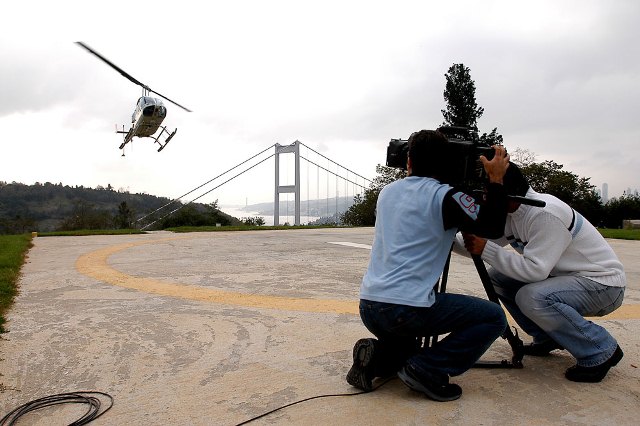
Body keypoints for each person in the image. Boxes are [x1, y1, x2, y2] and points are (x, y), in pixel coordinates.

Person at [346, 129, 511, 402]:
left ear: (409, 161)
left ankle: (376, 358)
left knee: (407, 349)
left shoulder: (387, 193)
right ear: (446, 163)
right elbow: (492, 226)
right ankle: (428, 369)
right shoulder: (446, 197)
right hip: (405, 310)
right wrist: (495, 179)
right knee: (492, 317)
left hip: (370, 306)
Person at [461, 163, 625, 383]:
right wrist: (445, 237)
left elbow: (534, 270)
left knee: (532, 296)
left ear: (507, 193)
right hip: (569, 279)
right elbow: (482, 243)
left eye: (487, 194)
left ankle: (600, 349)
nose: (483, 200)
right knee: (498, 278)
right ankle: (546, 337)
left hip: (603, 285)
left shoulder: (544, 213)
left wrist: (484, 248)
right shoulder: (512, 212)